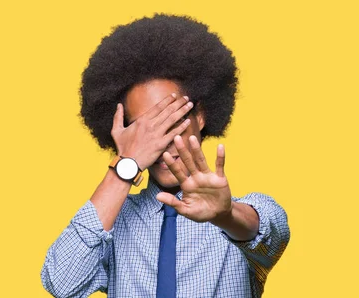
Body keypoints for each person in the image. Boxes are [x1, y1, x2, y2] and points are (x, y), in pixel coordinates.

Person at [40, 14, 290, 298]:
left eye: (170, 123)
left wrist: (226, 216)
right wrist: (125, 165)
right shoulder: (113, 222)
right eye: (144, 131)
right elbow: (61, 284)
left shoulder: (244, 214)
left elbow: (269, 232)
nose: (161, 143)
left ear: (200, 115)